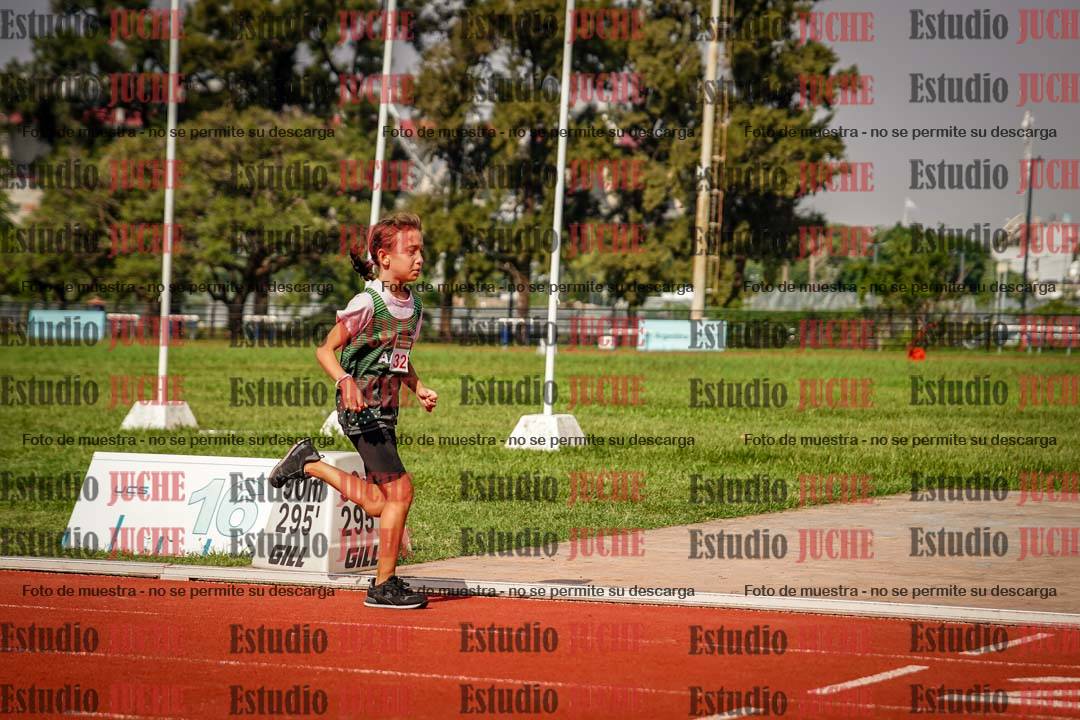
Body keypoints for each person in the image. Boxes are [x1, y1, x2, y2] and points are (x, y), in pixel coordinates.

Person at [268, 211, 437, 609]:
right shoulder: (367, 302)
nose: (419, 259)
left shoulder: (413, 308)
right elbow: (325, 350)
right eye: (411, 251)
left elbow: (398, 358)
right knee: (401, 493)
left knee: (380, 502)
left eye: (421, 251)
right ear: (384, 258)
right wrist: (345, 381)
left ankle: (309, 463)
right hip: (361, 410)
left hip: (387, 411)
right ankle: (383, 585)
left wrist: (418, 387)